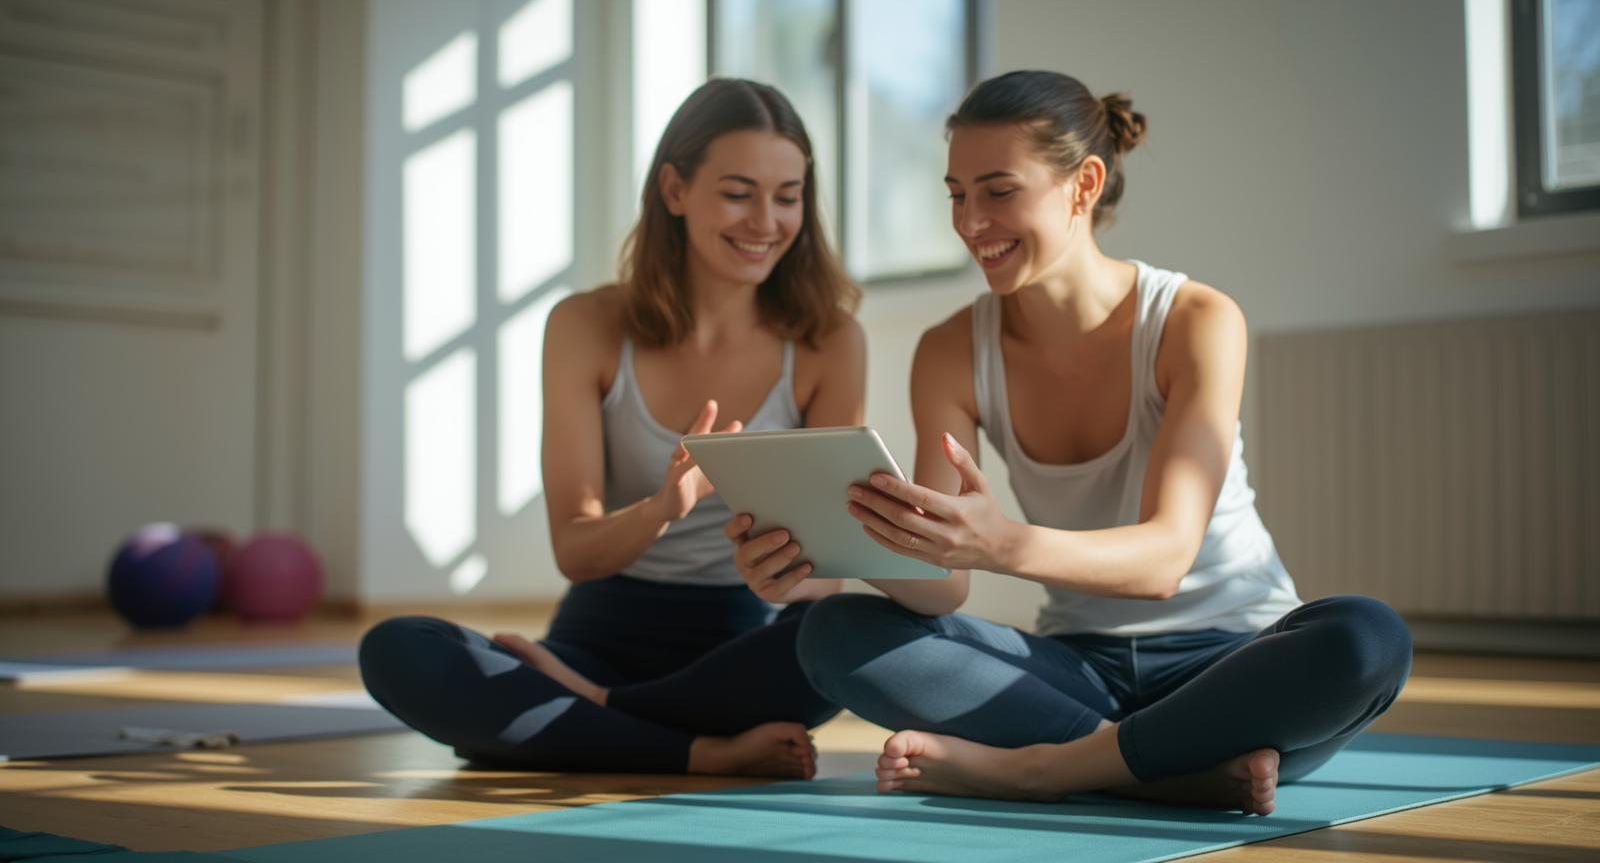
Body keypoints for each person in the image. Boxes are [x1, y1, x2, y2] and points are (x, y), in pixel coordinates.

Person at [789, 70, 1413, 814]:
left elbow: (1165, 559)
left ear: (1083, 184)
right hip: (1080, 670)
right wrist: (826, 542)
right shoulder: (951, 350)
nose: (970, 221)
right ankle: (1164, 766)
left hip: (1235, 658)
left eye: (998, 191)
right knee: (832, 632)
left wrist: (1002, 545)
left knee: (1366, 639)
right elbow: (941, 584)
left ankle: (1042, 770)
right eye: (957, 194)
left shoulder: (1196, 321)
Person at [359, 78, 866, 778]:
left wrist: (803, 571)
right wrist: (662, 509)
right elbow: (576, 549)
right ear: (675, 190)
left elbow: (824, 575)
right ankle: (697, 750)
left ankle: (585, 713)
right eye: (738, 192)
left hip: (742, 650)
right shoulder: (585, 326)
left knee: (840, 638)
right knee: (397, 648)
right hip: (603, 629)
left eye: (788, 196)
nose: (766, 222)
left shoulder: (828, 341)